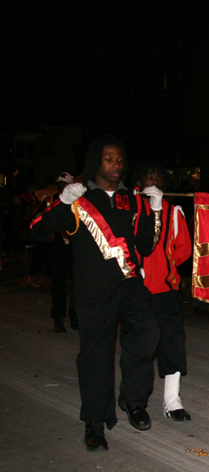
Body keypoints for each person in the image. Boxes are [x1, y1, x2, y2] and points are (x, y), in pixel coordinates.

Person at [29, 135, 163, 451]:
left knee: (148, 331)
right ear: (95, 163)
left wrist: (155, 210)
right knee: (95, 358)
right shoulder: (77, 200)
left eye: (119, 160)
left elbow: (146, 245)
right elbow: (35, 230)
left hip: (129, 284)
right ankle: (94, 423)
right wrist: (61, 202)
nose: (115, 165)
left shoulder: (133, 200)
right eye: (108, 159)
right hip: (93, 291)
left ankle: (133, 400)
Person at [132, 161, 193, 421]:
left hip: (167, 290)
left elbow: (185, 249)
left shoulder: (173, 212)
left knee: (172, 344)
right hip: (138, 289)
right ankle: (135, 401)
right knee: (140, 347)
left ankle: (172, 400)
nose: (153, 179)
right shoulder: (130, 209)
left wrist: (167, 265)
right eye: (149, 174)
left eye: (158, 176)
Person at [33, 172, 80, 332]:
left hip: (75, 247)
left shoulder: (79, 202)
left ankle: (75, 317)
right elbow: (36, 219)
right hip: (58, 246)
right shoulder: (51, 201)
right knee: (58, 284)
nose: (63, 187)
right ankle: (58, 318)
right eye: (60, 185)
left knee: (78, 284)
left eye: (66, 184)